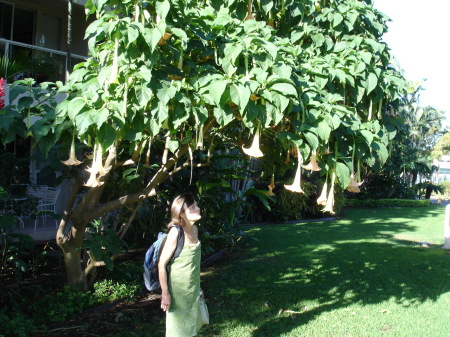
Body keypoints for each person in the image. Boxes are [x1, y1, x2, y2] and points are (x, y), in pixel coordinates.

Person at [158, 193, 203, 337]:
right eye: (193, 207)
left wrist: (198, 288)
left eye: (196, 205)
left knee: (191, 327)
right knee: (177, 331)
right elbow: (161, 265)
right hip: (177, 292)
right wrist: (165, 294)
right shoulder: (175, 233)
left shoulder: (195, 230)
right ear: (181, 214)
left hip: (192, 288)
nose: (198, 208)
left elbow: (193, 264)